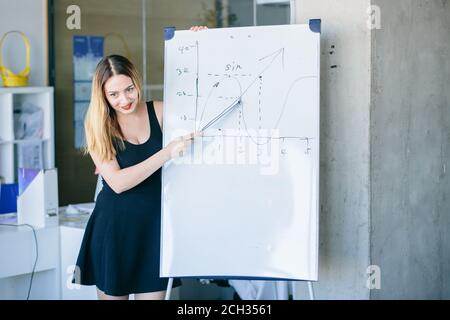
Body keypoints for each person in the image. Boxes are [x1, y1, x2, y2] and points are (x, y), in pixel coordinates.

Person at [74, 26, 207, 300]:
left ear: (136, 81)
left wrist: (200, 46)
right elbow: (119, 183)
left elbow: (202, 103)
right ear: (103, 96)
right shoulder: (97, 126)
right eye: (114, 95)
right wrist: (167, 152)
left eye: (129, 89)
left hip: (154, 229)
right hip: (114, 230)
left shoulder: (158, 110)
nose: (124, 100)